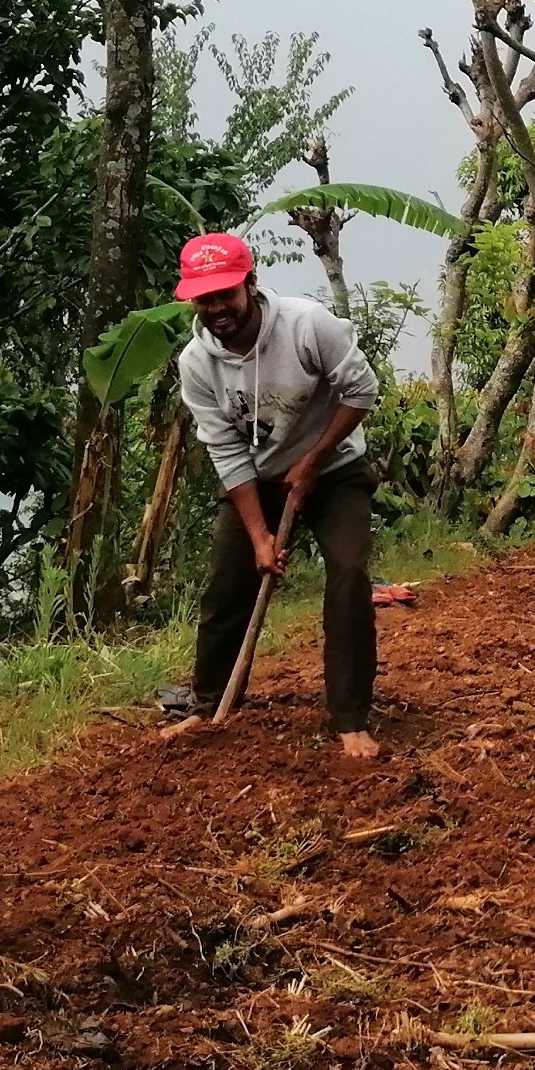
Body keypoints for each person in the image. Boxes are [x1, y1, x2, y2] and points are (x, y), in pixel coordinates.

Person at [170, 231, 385, 760]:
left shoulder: (308, 325)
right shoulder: (197, 363)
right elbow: (226, 452)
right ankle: (208, 705)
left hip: (334, 467)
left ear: (251, 283)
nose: (216, 307)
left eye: (225, 294)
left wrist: (311, 464)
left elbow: (363, 391)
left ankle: (350, 717)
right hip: (258, 477)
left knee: (349, 573)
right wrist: (260, 536)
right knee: (226, 588)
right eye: (205, 298)